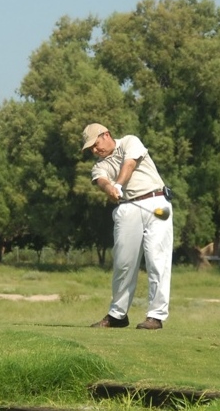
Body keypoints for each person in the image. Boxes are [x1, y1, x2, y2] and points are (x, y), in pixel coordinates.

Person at [82, 123, 173, 330]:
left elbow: (129, 165)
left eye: (95, 145)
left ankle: (155, 316)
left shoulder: (130, 141)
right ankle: (117, 315)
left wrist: (119, 185)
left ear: (106, 135)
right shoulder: (99, 166)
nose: (95, 151)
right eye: (91, 150)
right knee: (123, 263)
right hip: (127, 207)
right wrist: (110, 189)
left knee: (157, 259)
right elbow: (102, 181)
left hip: (156, 203)